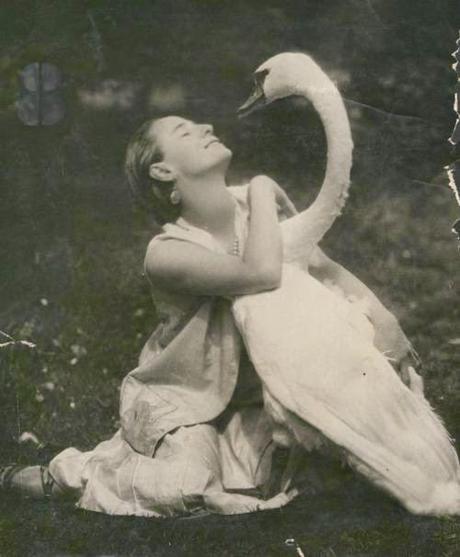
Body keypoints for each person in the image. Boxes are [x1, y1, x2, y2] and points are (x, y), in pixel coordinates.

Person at [0, 115, 431, 516]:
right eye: (185, 132)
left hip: (258, 396)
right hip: (185, 402)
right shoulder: (167, 252)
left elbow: (323, 268)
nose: (205, 125)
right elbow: (259, 272)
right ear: (163, 172)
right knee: (185, 482)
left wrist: (385, 322)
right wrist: (263, 188)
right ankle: (59, 479)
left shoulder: (252, 211)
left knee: (328, 466)